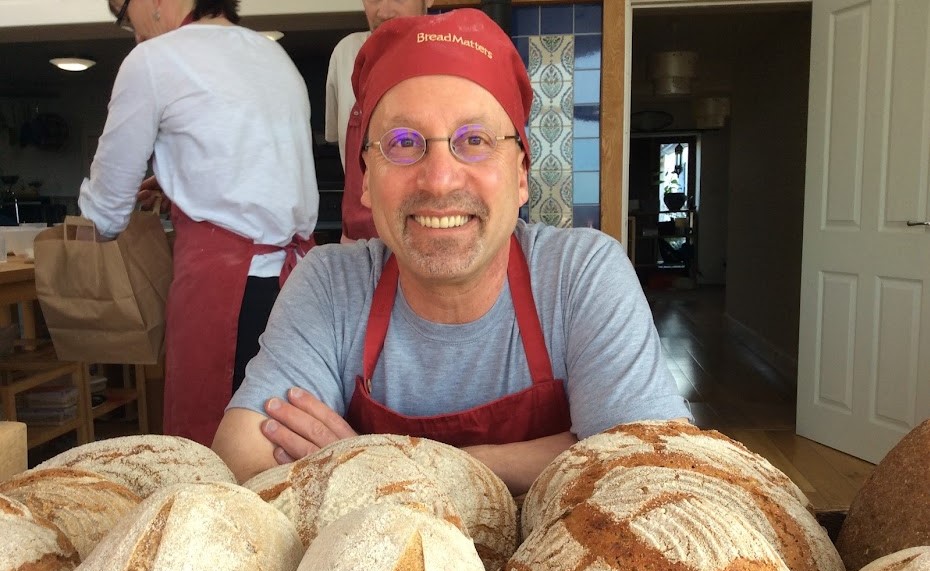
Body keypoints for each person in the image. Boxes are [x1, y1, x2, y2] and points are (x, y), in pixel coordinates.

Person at [213, 9, 690, 494]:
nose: (439, 179)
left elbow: (646, 458)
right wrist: (563, 451)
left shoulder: (580, 275)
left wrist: (377, 465)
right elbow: (245, 450)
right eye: (403, 143)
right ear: (366, 182)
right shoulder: (332, 285)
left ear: (521, 174)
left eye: (474, 141)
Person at [79, 0, 319, 446]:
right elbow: (255, 174)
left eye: (121, 11)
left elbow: (106, 212)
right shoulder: (274, 56)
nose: (128, 28)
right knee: (284, 451)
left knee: (211, 459)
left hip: (223, 290)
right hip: (300, 287)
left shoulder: (152, 61)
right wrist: (176, 181)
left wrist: (99, 201)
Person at [325, 0, 434, 242]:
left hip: (423, 232)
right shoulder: (346, 53)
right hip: (357, 242)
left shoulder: (448, 53)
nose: (383, 12)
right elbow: (337, 140)